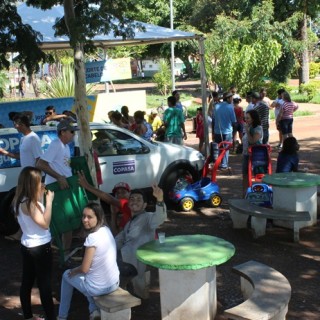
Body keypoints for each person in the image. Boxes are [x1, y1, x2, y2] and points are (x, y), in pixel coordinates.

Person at [58, 203, 119, 320]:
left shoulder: (92, 238)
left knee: (67, 275)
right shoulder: (106, 229)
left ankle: (61, 317)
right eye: (83, 216)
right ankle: (94, 310)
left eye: (90, 217)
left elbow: (84, 269)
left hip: (99, 288)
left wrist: (73, 270)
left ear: (99, 217)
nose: (85, 220)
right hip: (114, 283)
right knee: (88, 278)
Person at [13, 167, 56, 320]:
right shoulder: (30, 203)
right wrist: (49, 202)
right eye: (40, 181)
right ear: (33, 183)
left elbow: (37, 216)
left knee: (27, 282)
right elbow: (45, 224)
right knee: (44, 285)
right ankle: (51, 317)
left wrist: (42, 197)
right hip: (40, 247)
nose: (42, 183)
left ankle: (28, 316)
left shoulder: (20, 199)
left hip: (27, 245)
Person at [115, 185, 167, 298]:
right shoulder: (129, 223)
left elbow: (159, 218)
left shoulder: (148, 217)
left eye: (139, 199)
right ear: (128, 203)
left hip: (135, 262)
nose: (135, 201)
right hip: (124, 260)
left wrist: (159, 200)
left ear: (145, 205)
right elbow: (119, 239)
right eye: (132, 199)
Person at [36, 119, 79, 253]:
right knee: (64, 222)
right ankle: (63, 252)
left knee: (67, 221)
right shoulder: (56, 144)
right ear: (63, 132)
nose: (73, 134)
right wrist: (59, 177)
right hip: (56, 188)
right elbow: (40, 164)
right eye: (71, 132)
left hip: (64, 187)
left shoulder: (65, 146)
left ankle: (62, 251)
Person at [242, 109, 263, 196]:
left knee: (258, 175)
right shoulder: (249, 126)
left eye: (248, 118)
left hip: (256, 156)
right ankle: (245, 193)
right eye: (245, 118)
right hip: (246, 154)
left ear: (253, 119)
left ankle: (260, 194)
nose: (246, 120)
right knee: (245, 175)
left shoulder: (258, 128)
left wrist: (247, 130)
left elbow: (253, 141)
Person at [213, 92, 236, 170]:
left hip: (217, 131)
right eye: (231, 98)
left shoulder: (216, 106)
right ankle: (224, 164)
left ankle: (218, 163)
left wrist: (213, 131)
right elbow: (234, 121)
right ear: (228, 98)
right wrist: (234, 132)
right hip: (227, 132)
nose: (232, 100)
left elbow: (213, 120)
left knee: (219, 148)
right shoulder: (230, 107)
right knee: (226, 149)